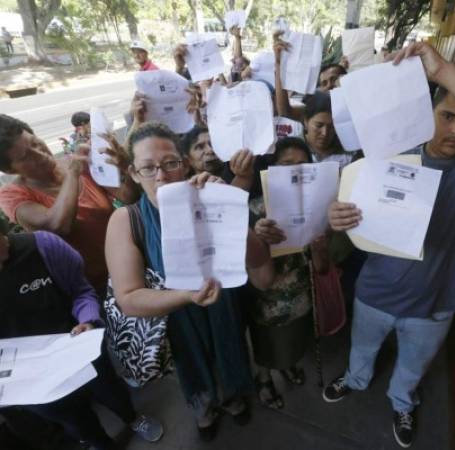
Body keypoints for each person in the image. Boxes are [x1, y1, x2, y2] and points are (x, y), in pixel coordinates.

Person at [323, 42, 455, 448]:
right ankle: (354, 378)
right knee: (362, 348)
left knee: (414, 367)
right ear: (429, 111)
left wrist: (442, 71)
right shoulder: (391, 157)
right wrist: (338, 218)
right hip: (375, 291)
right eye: (448, 115)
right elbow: (350, 212)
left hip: (434, 304)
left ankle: (402, 401)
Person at [105, 122, 274, 441]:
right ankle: (203, 411)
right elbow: (128, 298)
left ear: (183, 163)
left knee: (233, 349)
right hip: (176, 319)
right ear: (133, 172)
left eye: (170, 163)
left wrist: (224, 202)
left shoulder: (210, 196)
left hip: (226, 306)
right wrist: (185, 295)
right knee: (191, 368)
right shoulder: (127, 220)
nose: (161, 175)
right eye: (148, 167)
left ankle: (236, 399)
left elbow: (260, 265)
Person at [0, 217, 163, 449]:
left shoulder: (43, 246)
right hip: (31, 377)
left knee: (111, 392)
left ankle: (132, 418)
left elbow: (81, 290)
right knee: (74, 420)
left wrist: (87, 319)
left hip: (78, 346)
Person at [0, 114, 138, 294]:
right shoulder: (13, 194)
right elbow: (58, 225)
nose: (40, 154)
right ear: (10, 169)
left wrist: (124, 165)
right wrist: (73, 174)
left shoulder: (77, 163)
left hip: (131, 266)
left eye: (35, 143)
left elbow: (129, 197)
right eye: (26, 157)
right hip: (91, 290)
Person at [248, 137, 330, 409]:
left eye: (303, 165)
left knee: (293, 346)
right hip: (267, 306)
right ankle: (264, 379)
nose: (296, 172)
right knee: (266, 349)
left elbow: (320, 267)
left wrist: (319, 247)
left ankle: (286, 367)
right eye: (287, 165)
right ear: (272, 168)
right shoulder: (255, 211)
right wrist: (261, 242)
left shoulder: (318, 207)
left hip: (302, 301)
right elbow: (260, 279)